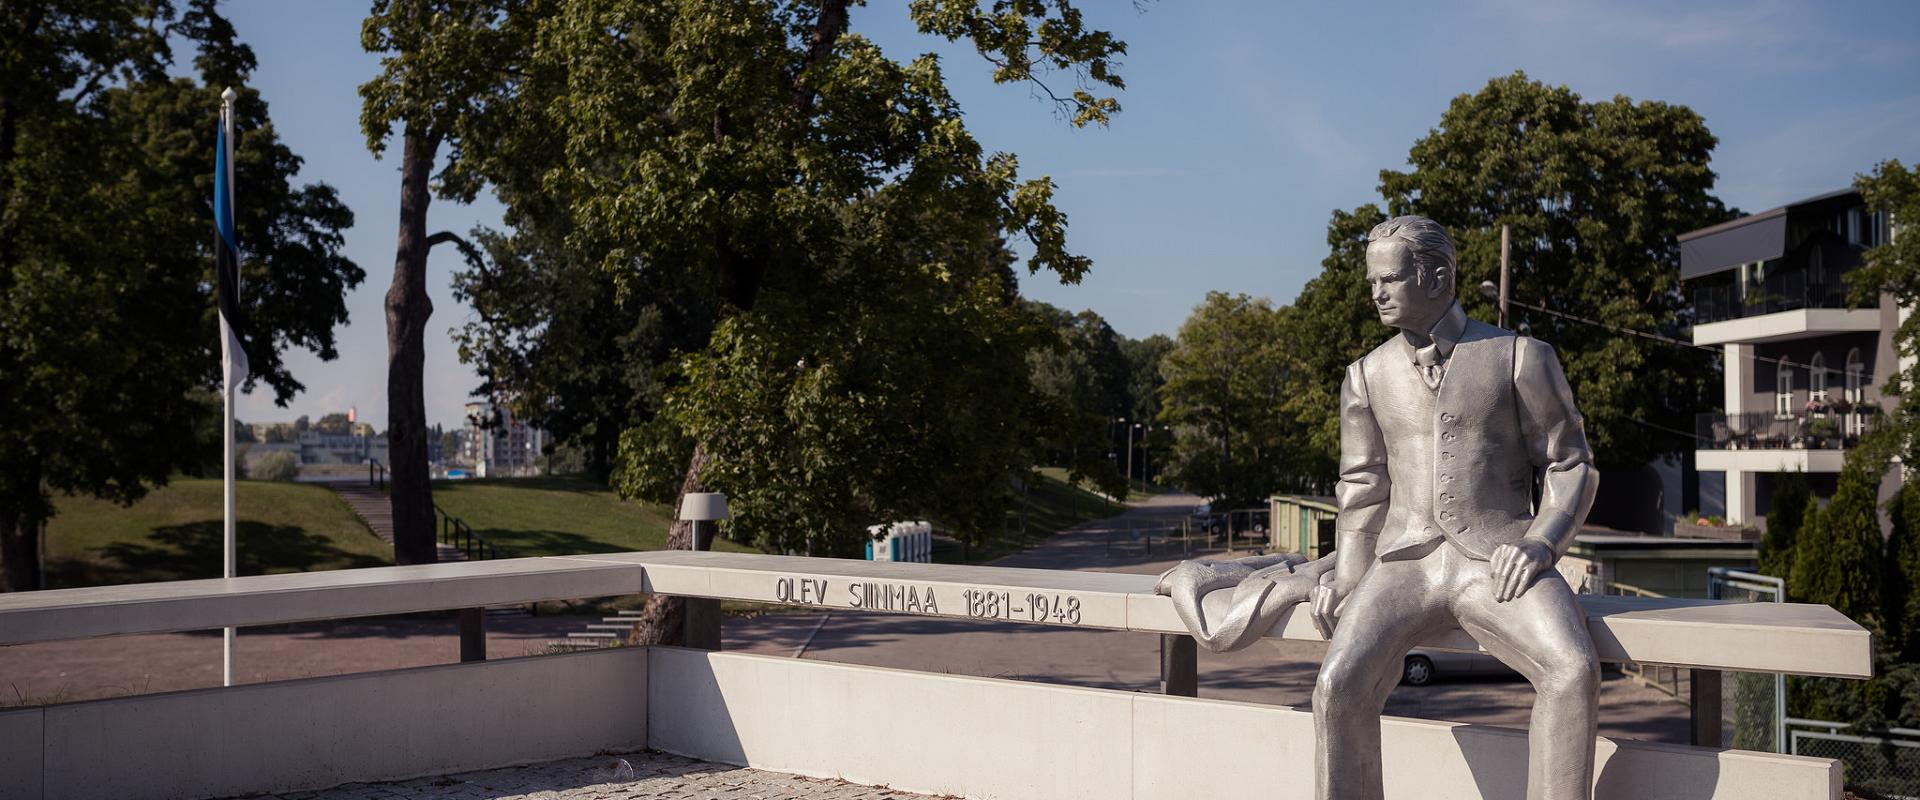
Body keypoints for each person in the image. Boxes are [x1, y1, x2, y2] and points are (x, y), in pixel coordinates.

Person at [1309, 216, 1600, 800]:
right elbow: (1362, 485)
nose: (1376, 293)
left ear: (1437, 277)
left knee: (1573, 673)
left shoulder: (1520, 356)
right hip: (1402, 563)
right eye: (1373, 282)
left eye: (1389, 279)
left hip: (1496, 559)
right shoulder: (1365, 375)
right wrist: (1346, 576)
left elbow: (1570, 464)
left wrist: (1541, 543)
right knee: (1338, 684)